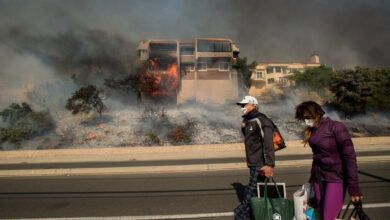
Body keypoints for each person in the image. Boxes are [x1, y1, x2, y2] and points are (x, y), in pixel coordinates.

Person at [295, 101, 363, 220]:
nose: (306, 120)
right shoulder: (313, 130)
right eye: (303, 118)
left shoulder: (336, 127)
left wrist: (354, 185)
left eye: (308, 117)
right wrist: (312, 178)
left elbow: (349, 156)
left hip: (336, 178)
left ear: (318, 113)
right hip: (319, 179)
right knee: (320, 216)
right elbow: (316, 156)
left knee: (328, 217)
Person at [234, 96, 275, 220]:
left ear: (253, 104)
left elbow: (268, 143)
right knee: (258, 192)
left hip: (260, 163)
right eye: (242, 106)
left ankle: (240, 216)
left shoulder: (262, 120)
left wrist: (269, 164)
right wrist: (243, 126)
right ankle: (259, 215)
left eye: (244, 105)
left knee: (251, 194)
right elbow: (250, 139)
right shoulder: (250, 120)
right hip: (253, 162)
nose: (242, 108)